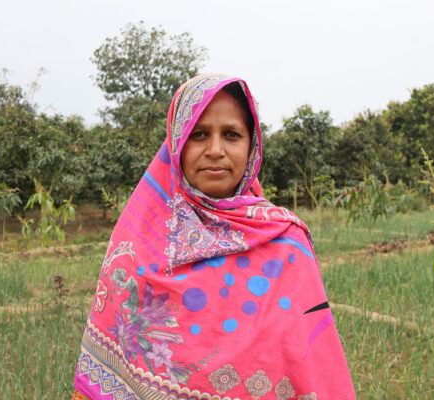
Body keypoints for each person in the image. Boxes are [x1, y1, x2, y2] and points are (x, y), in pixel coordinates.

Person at [72, 73, 355, 400]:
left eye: (232, 135)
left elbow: (311, 363)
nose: (215, 150)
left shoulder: (286, 243)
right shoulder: (135, 242)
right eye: (199, 134)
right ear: (177, 143)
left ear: (252, 145)